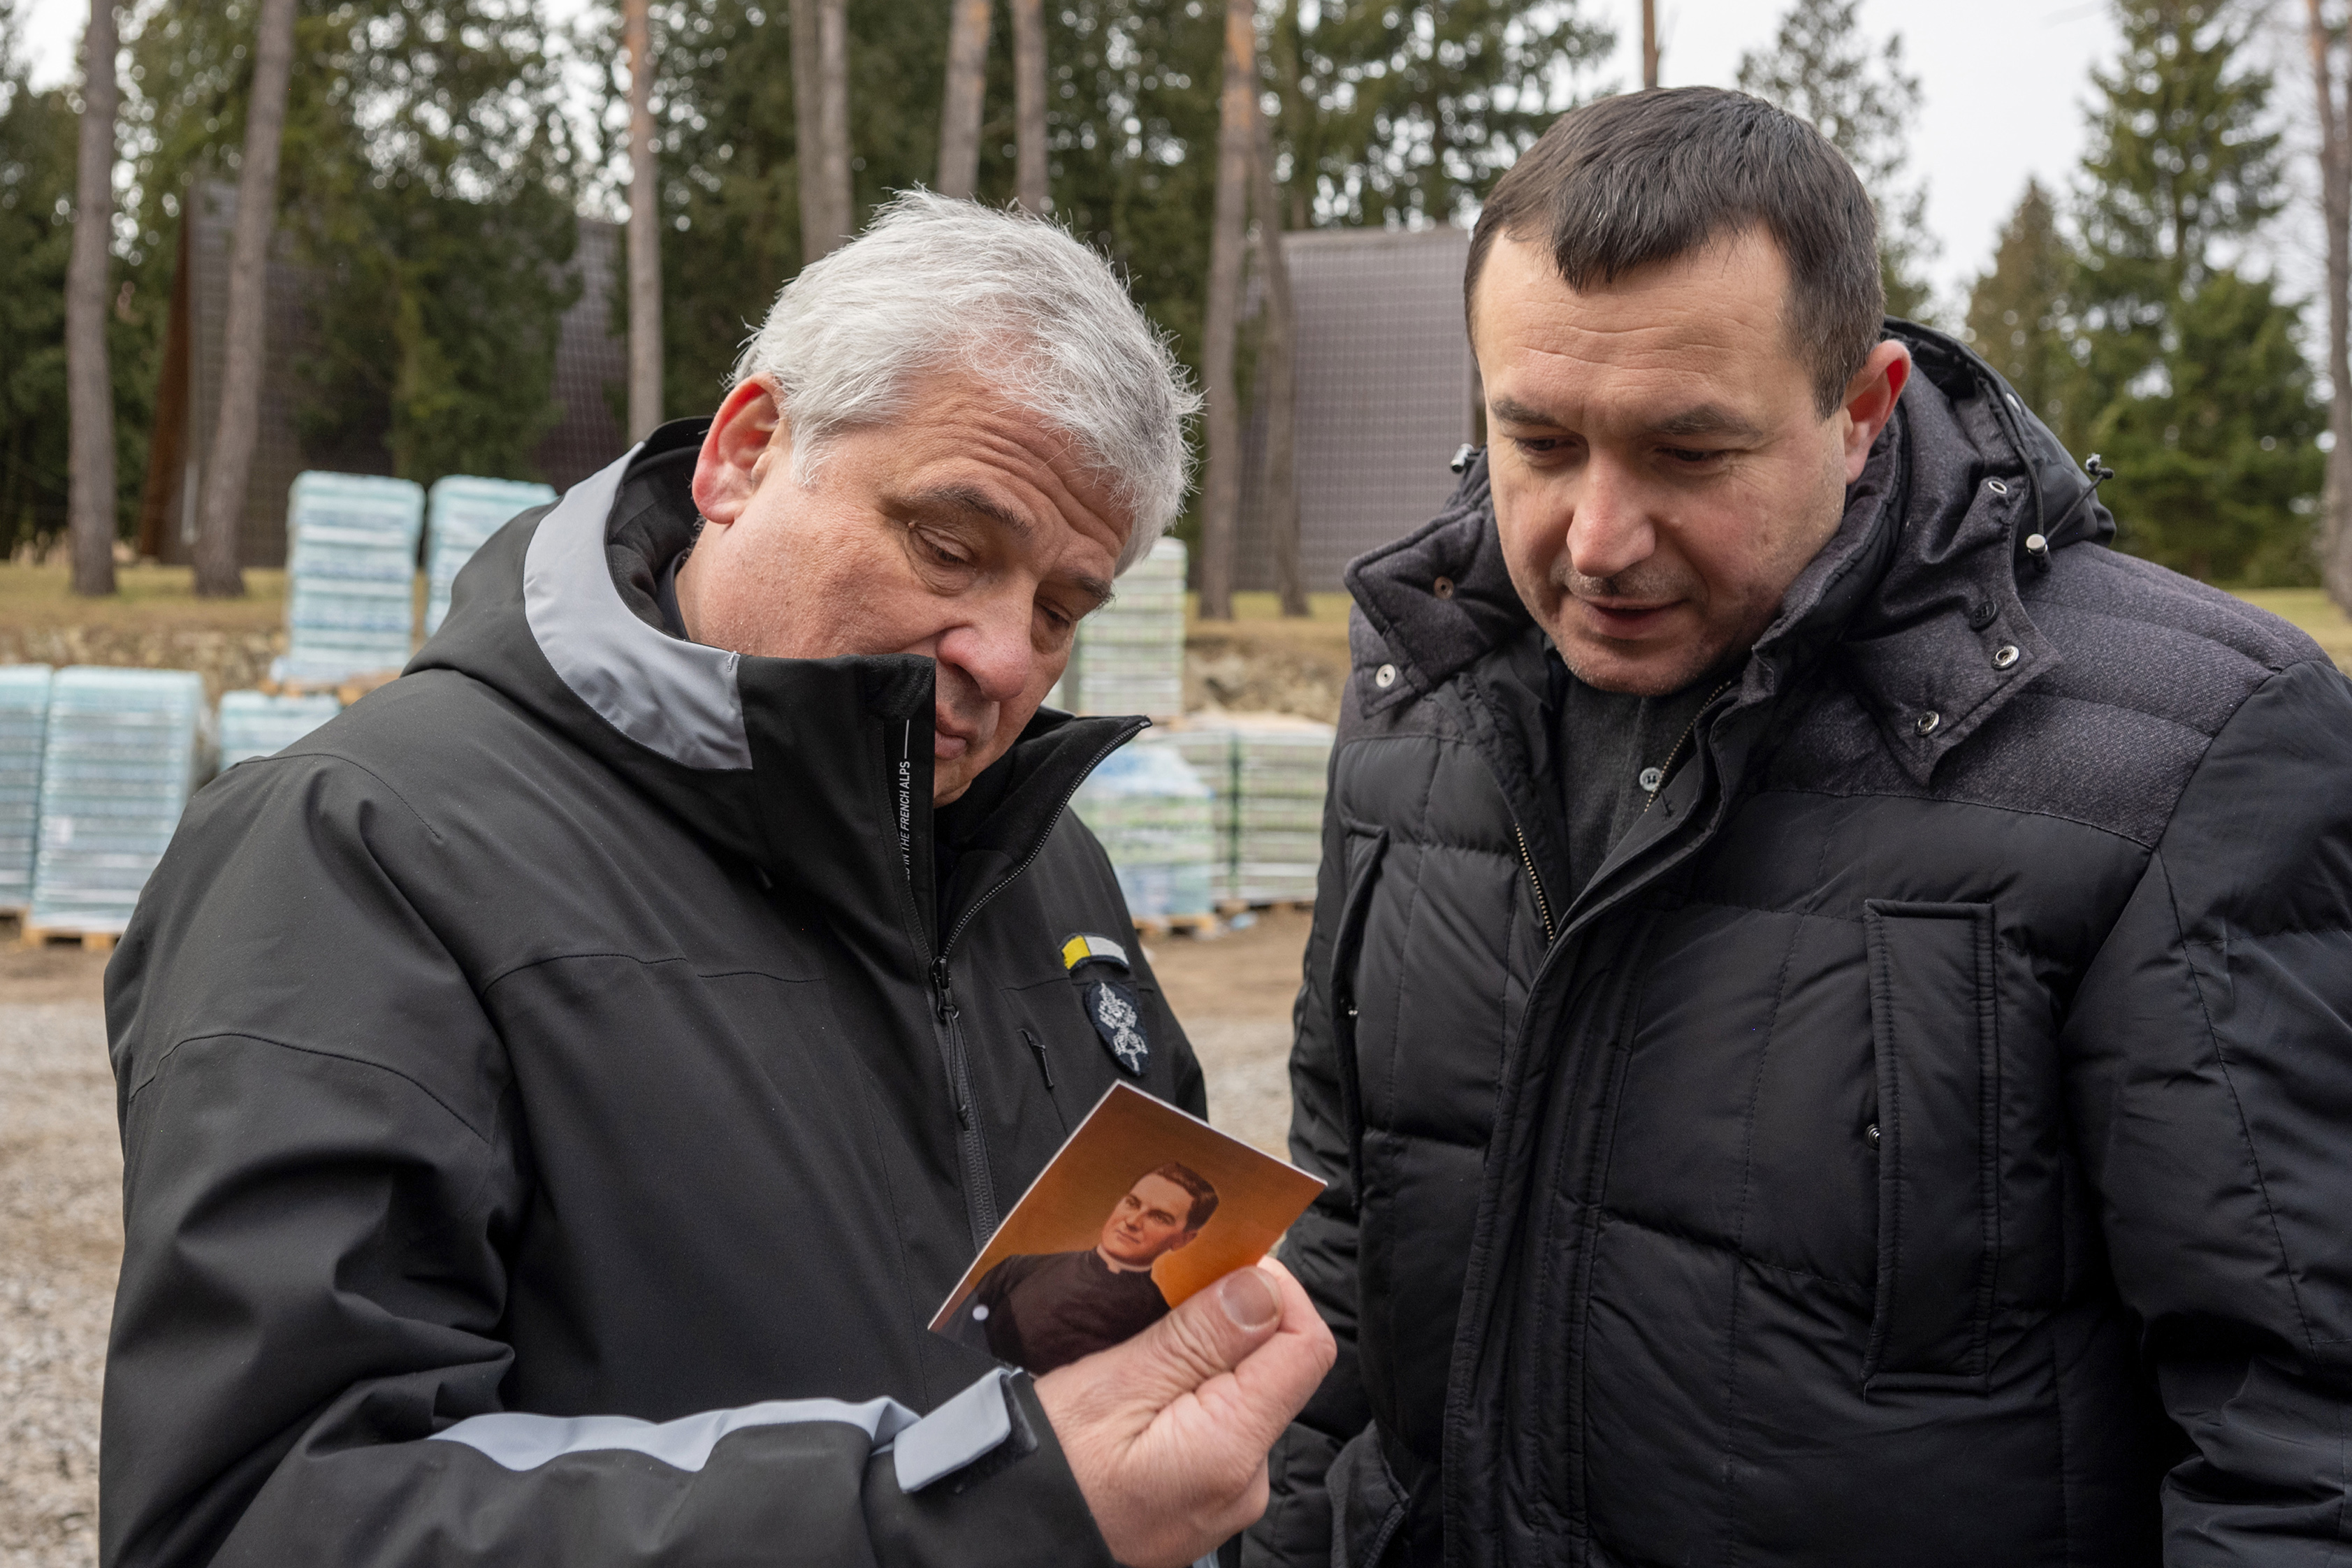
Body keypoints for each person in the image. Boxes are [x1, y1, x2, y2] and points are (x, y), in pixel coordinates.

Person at [101, 193, 1333, 1568]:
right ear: (745, 455)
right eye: (949, 547)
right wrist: (966, 1518)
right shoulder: (358, 851)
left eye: (1059, 609)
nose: (1000, 655)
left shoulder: (1048, 861)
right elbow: (256, 1515)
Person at [1250, 87, 2352, 1568]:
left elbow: (2300, 1432)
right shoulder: (1419, 699)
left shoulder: (2190, 755)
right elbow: (1346, 1250)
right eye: (1542, 441)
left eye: (1688, 453)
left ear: (1862, 407)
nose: (1597, 540)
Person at [964, 1163, 1220, 1373]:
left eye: (1158, 1217)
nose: (1132, 1221)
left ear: (1184, 1239)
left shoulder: (1162, 1328)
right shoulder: (1018, 1269)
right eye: (1132, 1203)